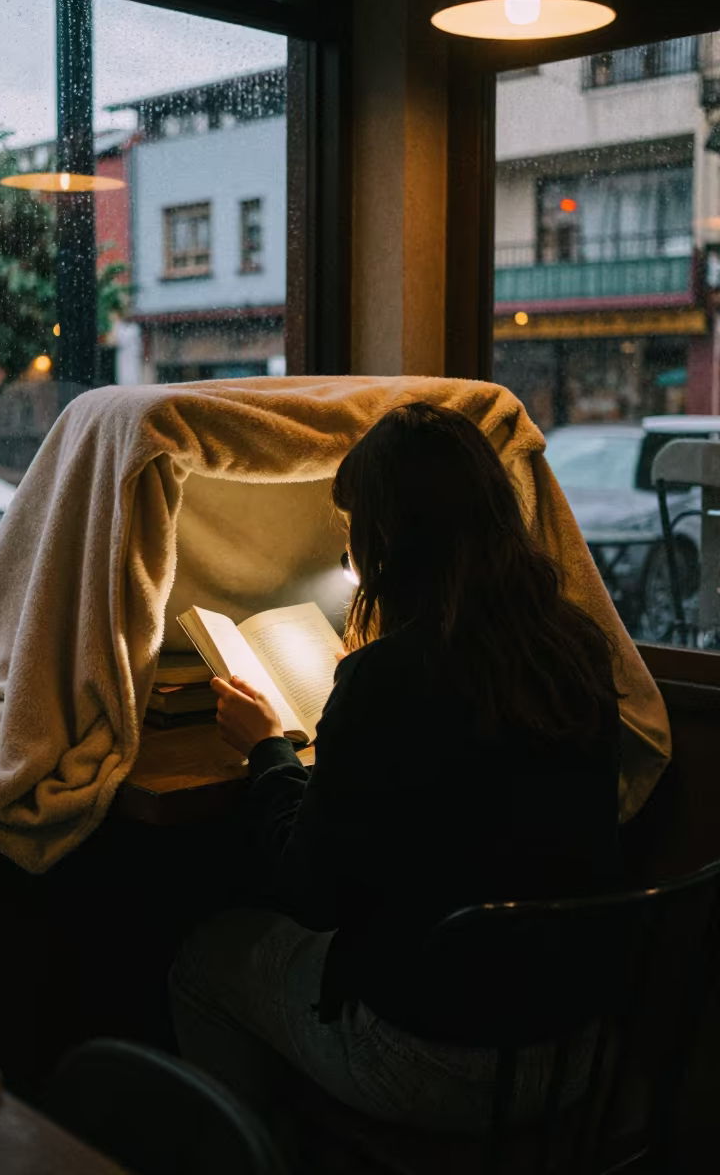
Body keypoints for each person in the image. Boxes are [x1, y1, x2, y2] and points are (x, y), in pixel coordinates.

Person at [168, 401, 623, 1136]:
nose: (350, 563)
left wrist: (268, 748)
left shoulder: (388, 680)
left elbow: (308, 894)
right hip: (577, 1044)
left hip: (439, 1059)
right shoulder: (574, 647)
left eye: (352, 538)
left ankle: (269, 1155)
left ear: (390, 541)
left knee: (205, 958)